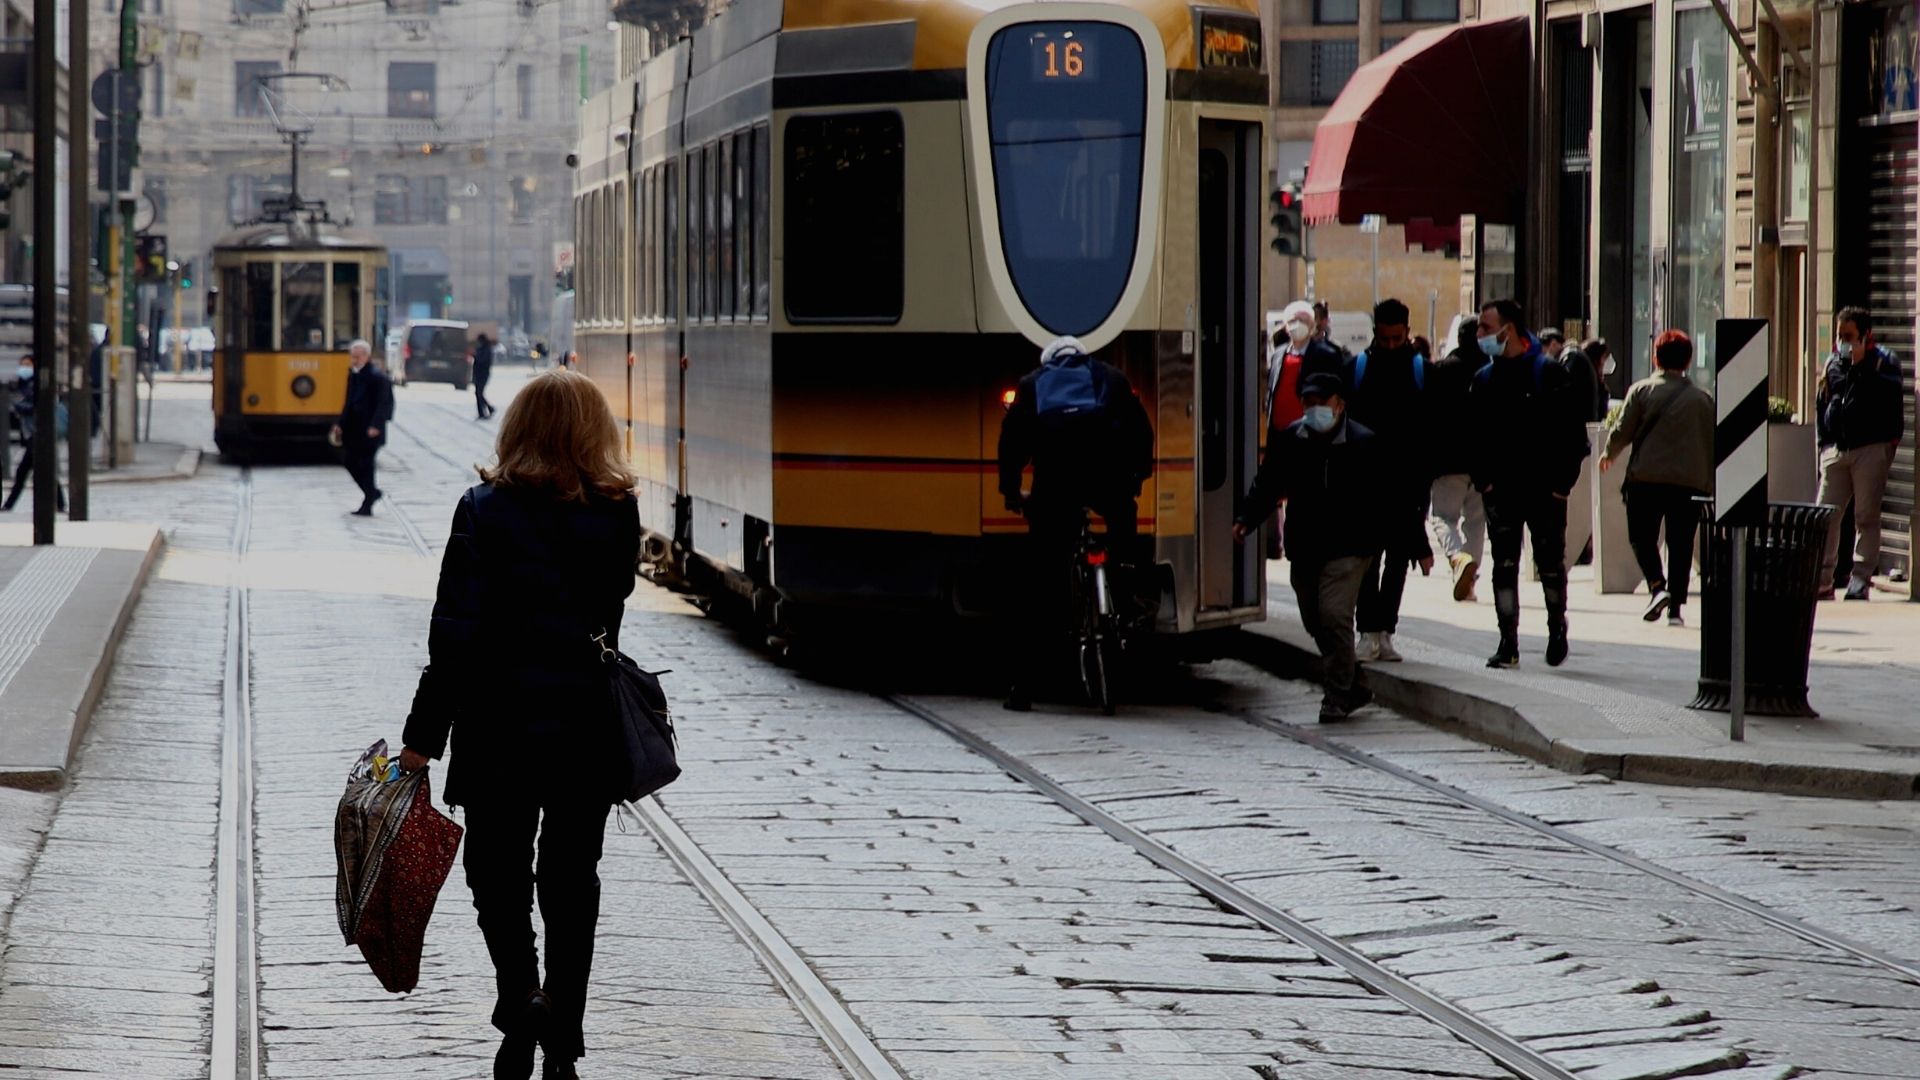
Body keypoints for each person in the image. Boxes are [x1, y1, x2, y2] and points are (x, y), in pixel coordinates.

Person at [396, 370, 638, 1080]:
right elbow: (610, 609)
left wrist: (421, 739)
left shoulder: (482, 510)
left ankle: (520, 999)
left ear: (517, 428)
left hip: (498, 721)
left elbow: (456, 636)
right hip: (583, 724)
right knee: (572, 882)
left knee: (495, 875)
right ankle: (561, 1037)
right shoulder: (618, 513)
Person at [996, 335, 1155, 711]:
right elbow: (1141, 432)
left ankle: (1022, 689)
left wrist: (1011, 492)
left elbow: (1011, 444)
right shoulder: (1112, 379)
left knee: (1041, 582)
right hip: (1107, 481)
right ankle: (1127, 588)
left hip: (1055, 486)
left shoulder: (1032, 384)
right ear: (1084, 357)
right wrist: (1135, 479)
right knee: (1122, 527)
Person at [1234, 372, 1382, 721]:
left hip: (1350, 546)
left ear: (1339, 404)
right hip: (1306, 546)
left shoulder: (1363, 442)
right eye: (1308, 403)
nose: (1314, 409)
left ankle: (1337, 694)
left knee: (1334, 615)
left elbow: (1386, 498)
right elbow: (1268, 482)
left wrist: (1415, 546)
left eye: (1322, 403)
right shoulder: (1291, 439)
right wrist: (1247, 517)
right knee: (1315, 620)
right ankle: (1356, 682)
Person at [1467, 299, 1588, 669]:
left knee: (1550, 563)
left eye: (1486, 327)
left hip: (1543, 490)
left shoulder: (1548, 373)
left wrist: (1561, 485)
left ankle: (1556, 628)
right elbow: (1471, 436)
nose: (1480, 335)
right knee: (1503, 565)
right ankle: (1508, 642)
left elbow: (1572, 435)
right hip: (1501, 491)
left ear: (1510, 330)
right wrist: (1483, 481)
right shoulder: (1484, 379)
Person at [1601, 330, 1713, 626]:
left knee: (1641, 536)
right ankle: (1675, 607)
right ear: (1688, 360)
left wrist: (1609, 453)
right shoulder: (1702, 399)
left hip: (1646, 479)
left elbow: (1622, 429)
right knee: (1681, 543)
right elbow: (1712, 442)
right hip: (1689, 483)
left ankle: (1656, 585)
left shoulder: (1641, 391)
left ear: (1656, 357)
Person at [1344, 299, 1434, 662]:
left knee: (1399, 560)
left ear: (1407, 333)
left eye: (1398, 339)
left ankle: (1385, 631)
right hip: (1365, 482)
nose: (1392, 346)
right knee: (1368, 561)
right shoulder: (1358, 368)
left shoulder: (1421, 372)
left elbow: (1431, 430)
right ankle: (1367, 630)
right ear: (1376, 334)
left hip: (1408, 482)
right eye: (1385, 339)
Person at [1815, 306, 1904, 601]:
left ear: (1866, 337)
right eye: (1840, 336)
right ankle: (1823, 579)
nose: (1843, 342)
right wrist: (1824, 445)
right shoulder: (1833, 363)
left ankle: (1860, 578)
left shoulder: (1884, 363)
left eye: (1849, 336)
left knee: (1866, 516)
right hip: (1837, 450)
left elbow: (1890, 401)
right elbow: (1823, 399)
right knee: (1826, 515)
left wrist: (1861, 366)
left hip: (1870, 448)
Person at [1428, 320, 1486, 602]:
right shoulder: (1491, 369)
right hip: (1483, 462)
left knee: (1441, 517)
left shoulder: (1442, 369)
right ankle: (1470, 578)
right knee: (1476, 522)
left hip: (1448, 460)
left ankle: (1457, 558)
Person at [332, 339, 394, 516]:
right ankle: (372, 493)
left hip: (370, 430)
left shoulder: (378, 377)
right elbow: (348, 402)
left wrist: (376, 425)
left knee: (366, 465)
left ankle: (368, 503)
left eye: (357, 356)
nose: (354, 360)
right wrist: (340, 424)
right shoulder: (353, 375)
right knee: (350, 462)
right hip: (353, 429)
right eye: (352, 356)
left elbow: (384, 404)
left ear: (367, 356)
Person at [3, 356, 66, 513]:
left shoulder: (36, 384)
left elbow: (35, 405)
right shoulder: (21, 385)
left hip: (38, 434)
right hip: (32, 434)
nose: (24, 368)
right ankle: (60, 504)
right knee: (38, 470)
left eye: (28, 364)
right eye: (22, 364)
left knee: (28, 471)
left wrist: (19, 406)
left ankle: (9, 504)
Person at [473, 333, 497, 420]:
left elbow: (483, 360)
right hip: (478, 373)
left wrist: (475, 356)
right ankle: (482, 412)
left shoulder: (487, 349)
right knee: (478, 393)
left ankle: (489, 409)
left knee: (479, 393)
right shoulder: (481, 348)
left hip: (483, 374)